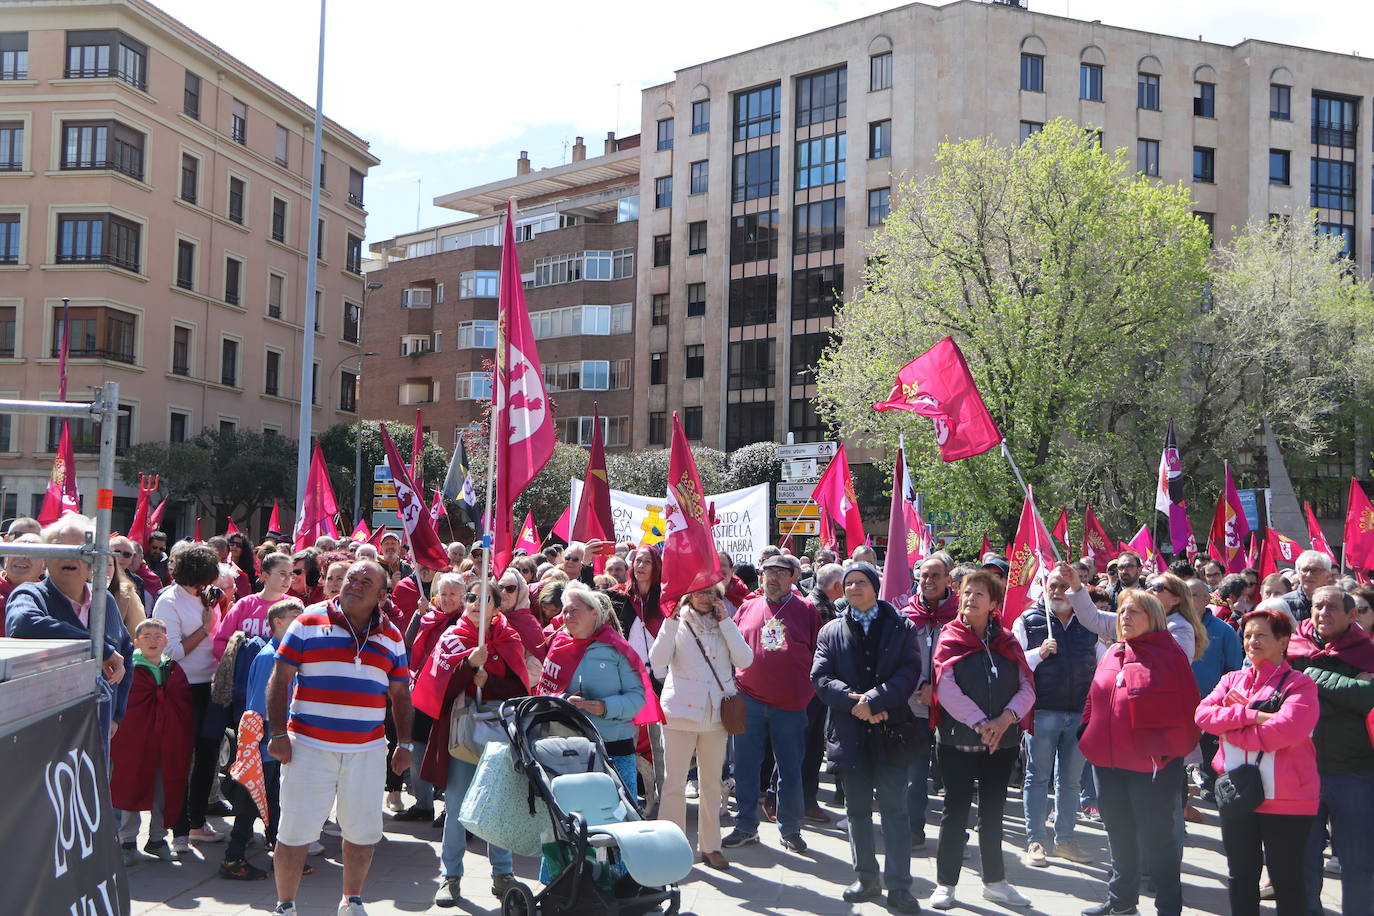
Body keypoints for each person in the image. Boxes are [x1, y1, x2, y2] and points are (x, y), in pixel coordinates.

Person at [265, 559, 413, 916]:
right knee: (294, 832)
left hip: (367, 751)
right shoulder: (307, 622)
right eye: (351, 578)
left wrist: (404, 744)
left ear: (381, 594)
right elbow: (279, 679)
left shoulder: (391, 635)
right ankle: (286, 906)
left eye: (366, 581)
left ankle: (352, 901)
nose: (355, 585)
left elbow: (401, 696)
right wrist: (277, 734)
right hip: (308, 748)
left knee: (362, 833)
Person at [1076, 587, 1200, 916]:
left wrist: (1167, 756)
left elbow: (1188, 710)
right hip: (1106, 763)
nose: (1125, 617)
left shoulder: (1170, 656)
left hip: (1151, 769)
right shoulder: (1114, 651)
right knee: (1119, 834)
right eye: (1122, 612)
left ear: (1154, 618)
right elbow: (1093, 697)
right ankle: (1121, 904)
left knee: (1158, 842)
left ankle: (1169, 908)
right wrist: (1085, 732)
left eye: (1134, 612)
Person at [412, 578, 529, 907]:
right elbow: (439, 692)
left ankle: (502, 873)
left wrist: (489, 678)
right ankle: (451, 876)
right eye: (471, 597)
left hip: (497, 738)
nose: (476, 602)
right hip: (460, 736)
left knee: (498, 805)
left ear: (496, 605)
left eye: (484, 598)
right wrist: (467, 667)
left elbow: (519, 692)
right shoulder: (452, 637)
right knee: (458, 807)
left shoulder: (509, 638)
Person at [812, 563, 922, 914]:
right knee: (857, 811)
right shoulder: (831, 630)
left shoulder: (901, 626)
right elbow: (821, 676)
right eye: (849, 583)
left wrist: (875, 700)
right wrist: (855, 702)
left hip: (891, 731)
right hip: (849, 733)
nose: (855, 587)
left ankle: (900, 887)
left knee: (895, 812)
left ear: (875, 587)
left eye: (861, 582)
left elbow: (910, 672)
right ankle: (866, 877)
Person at [1195, 608, 1319, 916]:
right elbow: (1203, 715)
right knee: (1241, 877)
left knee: (1287, 881)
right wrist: (1252, 716)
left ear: (1283, 641)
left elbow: (1285, 731)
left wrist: (1232, 733)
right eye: (1248, 635)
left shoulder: (1300, 684)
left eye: (1261, 635)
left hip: (1288, 799)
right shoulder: (1232, 679)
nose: (1252, 641)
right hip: (1237, 795)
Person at [929, 568, 1034, 910]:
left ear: (993, 603)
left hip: (1000, 743)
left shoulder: (1007, 641)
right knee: (955, 812)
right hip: (959, 742)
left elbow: (1026, 687)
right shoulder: (949, 636)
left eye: (979, 594)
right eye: (966, 593)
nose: (970, 598)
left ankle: (995, 882)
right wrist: (981, 723)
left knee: (993, 813)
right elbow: (946, 688)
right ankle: (946, 884)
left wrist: (1004, 720)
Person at [650, 581, 753, 871]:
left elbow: (745, 659)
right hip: (680, 713)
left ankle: (710, 846)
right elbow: (657, 661)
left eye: (712, 593)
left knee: (711, 783)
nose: (706, 598)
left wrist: (727, 624)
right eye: (700, 592)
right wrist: (669, 623)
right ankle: (671, 845)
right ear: (688, 595)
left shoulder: (725, 624)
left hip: (716, 715)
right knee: (674, 783)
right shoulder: (676, 623)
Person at [6, 514, 133, 745]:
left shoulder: (104, 600)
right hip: (47, 737)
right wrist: (98, 648)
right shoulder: (31, 595)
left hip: (97, 731)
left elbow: (126, 651)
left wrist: (117, 715)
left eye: (78, 547)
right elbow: (22, 622)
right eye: (59, 547)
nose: (70, 554)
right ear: (46, 558)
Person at [724, 554, 820, 854]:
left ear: (792, 578)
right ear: (760, 576)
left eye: (781, 572)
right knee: (745, 768)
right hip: (749, 699)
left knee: (790, 770)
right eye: (768, 572)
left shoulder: (806, 610)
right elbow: (731, 649)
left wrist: (807, 692)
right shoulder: (748, 607)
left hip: (790, 705)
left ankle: (790, 829)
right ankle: (745, 826)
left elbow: (819, 653)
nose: (773, 578)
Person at [1287, 585, 1374, 916]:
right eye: (1317, 606)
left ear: (1353, 616)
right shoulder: (1293, 646)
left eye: (1332, 607)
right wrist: (1346, 692)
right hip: (1301, 773)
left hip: (1354, 775)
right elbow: (1280, 700)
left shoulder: (1367, 651)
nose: (1322, 612)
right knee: (1304, 863)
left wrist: (1310, 678)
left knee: (1357, 864)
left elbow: (1368, 698)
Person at [1012, 562, 1097, 868]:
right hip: (1042, 712)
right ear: (1044, 588)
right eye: (1053, 586)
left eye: (1065, 586)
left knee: (1070, 782)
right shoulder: (1028, 620)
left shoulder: (1090, 622)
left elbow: (1102, 661)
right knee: (1037, 778)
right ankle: (1036, 840)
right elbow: (1014, 664)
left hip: (1078, 713)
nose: (1059, 592)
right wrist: (1039, 653)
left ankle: (1065, 840)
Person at [536, 582, 654, 796]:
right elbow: (543, 692)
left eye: (575, 610)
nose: (568, 615)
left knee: (621, 814)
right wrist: (563, 700)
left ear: (594, 613)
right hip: (569, 746)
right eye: (565, 611)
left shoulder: (616, 648)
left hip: (614, 746)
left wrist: (605, 707)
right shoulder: (557, 646)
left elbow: (637, 697)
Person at [218, 598, 304, 880]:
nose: (301, 620)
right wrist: (261, 745)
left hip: (274, 744)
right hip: (265, 746)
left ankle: (282, 854)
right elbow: (258, 707)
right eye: (295, 616)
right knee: (251, 804)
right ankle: (233, 858)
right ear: (277, 622)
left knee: (277, 801)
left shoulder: (285, 652)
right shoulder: (270, 657)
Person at [150, 541, 226, 850]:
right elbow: (172, 652)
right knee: (181, 760)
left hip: (210, 687)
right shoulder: (169, 601)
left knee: (208, 758)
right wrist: (205, 630)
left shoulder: (202, 598)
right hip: (183, 689)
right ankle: (179, 829)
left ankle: (196, 823)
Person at [112, 618, 195, 866]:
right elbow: (123, 706)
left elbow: (182, 708)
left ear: (166, 641)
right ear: (136, 641)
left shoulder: (174, 669)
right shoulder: (128, 669)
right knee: (131, 785)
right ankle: (127, 840)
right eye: (147, 636)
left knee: (164, 789)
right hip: (134, 741)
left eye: (158, 636)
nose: (153, 640)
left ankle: (157, 839)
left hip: (167, 742)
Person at [903, 554, 960, 848]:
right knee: (914, 776)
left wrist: (936, 689)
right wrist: (920, 687)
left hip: (952, 711)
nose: (929, 581)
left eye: (936, 576)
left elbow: (965, 663)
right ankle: (913, 831)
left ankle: (955, 837)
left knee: (954, 778)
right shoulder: (905, 616)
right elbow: (900, 661)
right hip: (914, 708)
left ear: (948, 579)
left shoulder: (962, 616)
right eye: (924, 576)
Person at [1186, 577, 1244, 807]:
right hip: (1179, 703)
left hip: (1211, 705)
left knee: (1209, 753)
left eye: (1194, 595)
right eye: (1184, 595)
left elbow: (1234, 669)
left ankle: (1210, 786)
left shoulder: (1224, 630)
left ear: (1207, 599)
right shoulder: (1173, 625)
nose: (1188, 601)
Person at [803, 562, 844, 822]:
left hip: (811, 689)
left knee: (809, 746)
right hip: (813, 691)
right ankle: (805, 800)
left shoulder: (815, 603)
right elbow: (830, 654)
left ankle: (802, 799)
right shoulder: (820, 608)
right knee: (810, 747)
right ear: (838, 586)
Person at [214, 553, 292, 659]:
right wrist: (236, 664)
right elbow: (220, 642)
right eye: (282, 574)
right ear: (265, 576)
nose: (287, 579)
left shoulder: (294, 606)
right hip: (243, 672)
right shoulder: (244, 605)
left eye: (290, 574)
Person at [0, 532, 44, 628]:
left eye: (32, 553)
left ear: (44, 565)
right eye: (16, 551)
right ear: (6, 558)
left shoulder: (50, 597)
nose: (22, 557)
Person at [1279, 550, 1334, 623]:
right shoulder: (1283, 604)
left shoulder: (1338, 603)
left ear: (1328, 575)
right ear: (1298, 573)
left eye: (1315, 570)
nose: (1309, 575)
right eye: (1305, 570)